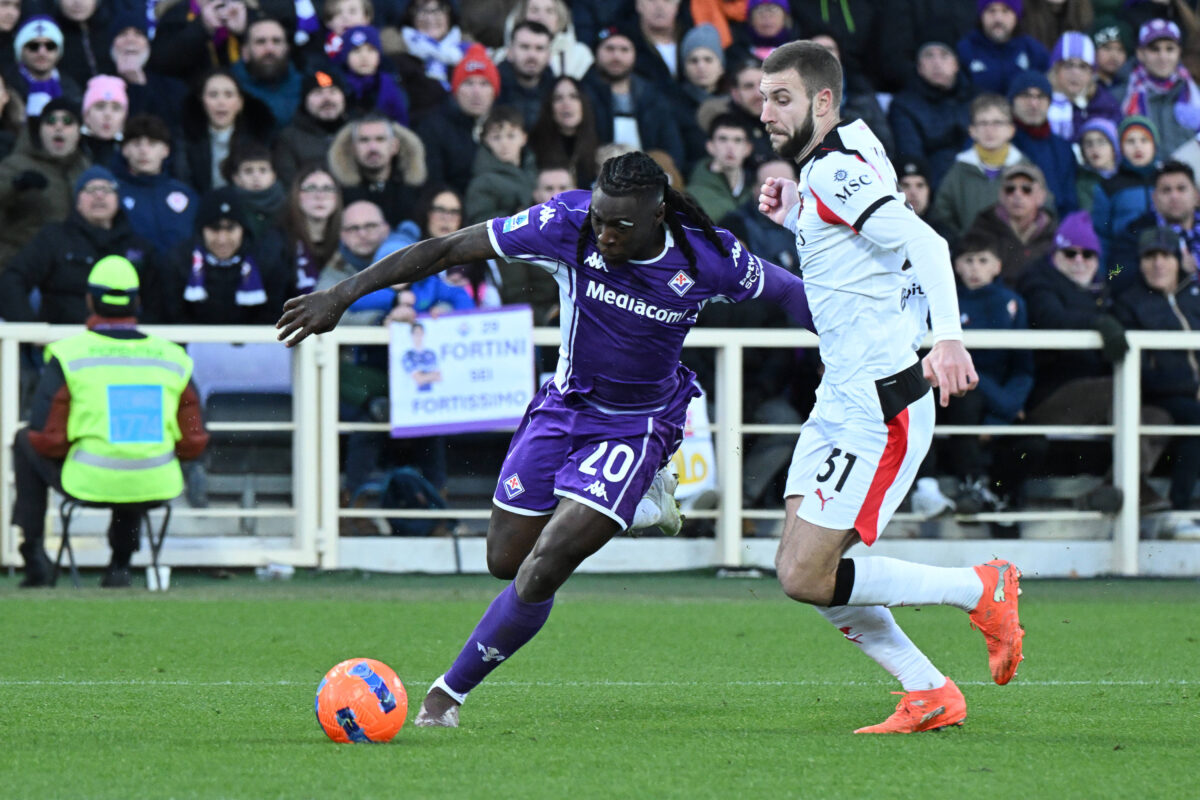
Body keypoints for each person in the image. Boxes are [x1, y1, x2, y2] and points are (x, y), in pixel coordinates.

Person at [276, 150, 818, 728]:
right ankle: (636, 499)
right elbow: (447, 249)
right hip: (562, 410)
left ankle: (445, 697)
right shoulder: (565, 222)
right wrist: (342, 294)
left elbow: (790, 293)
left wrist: (872, 350)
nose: (604, 233)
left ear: (659, 213)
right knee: (504, 560)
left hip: (637, 425)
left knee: (546, 563)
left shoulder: (706, 255)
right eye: (600, 219)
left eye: (620, 225)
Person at [755, 40, 1023, 734]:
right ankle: (928, 690)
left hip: (880, 404)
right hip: (841, 395)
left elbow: (928, 246)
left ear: (820, 100)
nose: (765, 112)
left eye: (779, 98)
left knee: (807, 575)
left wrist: (947, 337)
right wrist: (796, 216)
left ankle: (979, 589)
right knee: (800, 566)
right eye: (760, 97)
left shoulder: (836, 170)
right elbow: (871, 245)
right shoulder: (851, 148)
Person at [10, 256, 208, 587]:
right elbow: (193, 440)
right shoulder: (173, 357)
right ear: (138, 301)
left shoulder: (69, 354)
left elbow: (47, 437)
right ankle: (121, 564)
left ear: (89, 299)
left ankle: (33, 554)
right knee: (132, 450)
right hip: (156, 484)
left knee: (22, 439)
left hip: (88, 481)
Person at [0, 164, 160, 323]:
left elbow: (157, 299)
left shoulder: (138, 246)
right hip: (62, 341)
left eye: (107, 190)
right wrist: (30, 331)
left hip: (125, 342)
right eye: (90, 190)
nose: (99, 196)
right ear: (77, 202)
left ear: (117, 200)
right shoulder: (54, 238)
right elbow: (12, 280)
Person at [1115, 227, 1200, 514]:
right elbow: (1138, 372)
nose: (1158, 263)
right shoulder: (1130, 302)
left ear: (1179, 260)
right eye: (1150, 256)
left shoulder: (1194, 296)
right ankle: (1179, 509)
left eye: (1165, 255)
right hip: (1162, 394)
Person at [0, 95, 90, 272]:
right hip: (20, 266)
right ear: (39, 131)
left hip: (71, 268)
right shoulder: (16, 164)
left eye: (67, 121)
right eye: (50, 121)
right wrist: (15, 186)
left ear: (79, 131)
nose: (58, 127)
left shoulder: (86, 170)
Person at [931, 92, 1031, 240]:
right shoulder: (958, 171)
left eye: (997, 123)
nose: (989, 130)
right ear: (972, 130)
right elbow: (942, 214)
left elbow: (1042, 212)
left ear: (1011, 130)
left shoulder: (1026, 169)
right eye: (983, 123)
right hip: (972, 254)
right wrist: (963, 242)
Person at [887, 40, 973, 190]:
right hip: (934, 186)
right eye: (928, 56)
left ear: (956, 65)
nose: (937, 63)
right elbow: (912, 156)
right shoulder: (904, 105)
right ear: (919, 67)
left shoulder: (977, 99)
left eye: (944, 56)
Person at [115, 113, 199, 257]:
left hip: (180, 276)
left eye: (152, 144)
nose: (143, 151)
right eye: (136, 144)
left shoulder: (187, 195)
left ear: (166, 151)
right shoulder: (114, 195)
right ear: (125, 150)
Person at [964, 161, 1057, 286]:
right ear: (1001, 195)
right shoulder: (982, 227)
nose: (1017, 195)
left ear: (1041, 196)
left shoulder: (1056, 234)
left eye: (1026, 189)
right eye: (1010, 189)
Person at [329, 113, 427, 227]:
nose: (372, 148)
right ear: (353, 148)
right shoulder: (337, 193)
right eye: (364, 140)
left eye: (380, 139)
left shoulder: (417, 193)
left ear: (394, 146)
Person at [273, 69, 348, 187]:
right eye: (318, 93)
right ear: (305, 101)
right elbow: (289, 184)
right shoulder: (289, 139)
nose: (327, 99)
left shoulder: (357, 131)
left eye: (333, 92)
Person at [957, 0, 1049, 96]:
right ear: (981, 16)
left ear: (1016, 16)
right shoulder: (966, 49)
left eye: (1005, 11)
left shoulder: (1033, 51)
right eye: (991, 11)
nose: (998, 19)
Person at [230, 16, 302, 131]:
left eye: (276, 41)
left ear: (287, 49)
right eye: (260, 42)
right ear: (245, 52)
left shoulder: (304, 85)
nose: (269, 49)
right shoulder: (230, 87)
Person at [285, 164, 343, 294]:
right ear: (297, 195)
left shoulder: (349, 240)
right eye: (311, 188)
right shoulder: (278, 243)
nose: (320, 196)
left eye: (327, 188)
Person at [496, 20, 556, 129]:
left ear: (549, 56)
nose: (532, 55)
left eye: (539, 48)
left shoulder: (556, 91)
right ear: (510, 52)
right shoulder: (492, 89)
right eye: (524, 47)